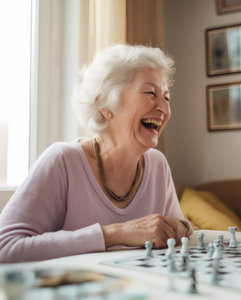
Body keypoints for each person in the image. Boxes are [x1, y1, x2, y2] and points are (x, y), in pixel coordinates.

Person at [0, 44, 191, 263]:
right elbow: (5, 247)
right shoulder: (63, 161)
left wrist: (180, 228)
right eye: (151, 93)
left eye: (166, 97)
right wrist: (115, 234)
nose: (164, 109)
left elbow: (180, 227)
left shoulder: (157, 164)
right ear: (106, 104)